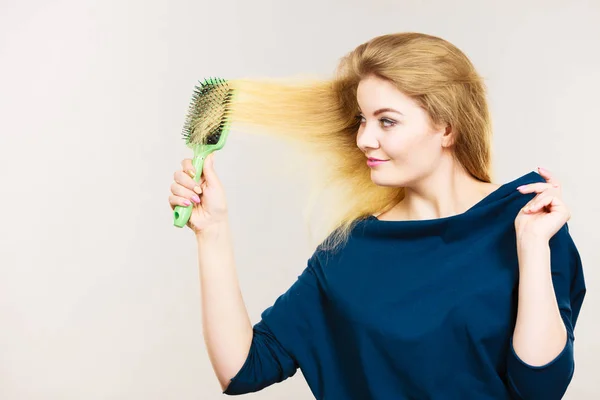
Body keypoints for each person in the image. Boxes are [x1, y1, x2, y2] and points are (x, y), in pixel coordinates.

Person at [168, 32, 586, 399]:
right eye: (361, 120)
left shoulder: (528, 219)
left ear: (447, 128)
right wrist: (212, 232)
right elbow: (242, 369)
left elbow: (540, 388)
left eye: (387, 121)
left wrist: (532, 249)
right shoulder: (350, 250)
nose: (364, 139)